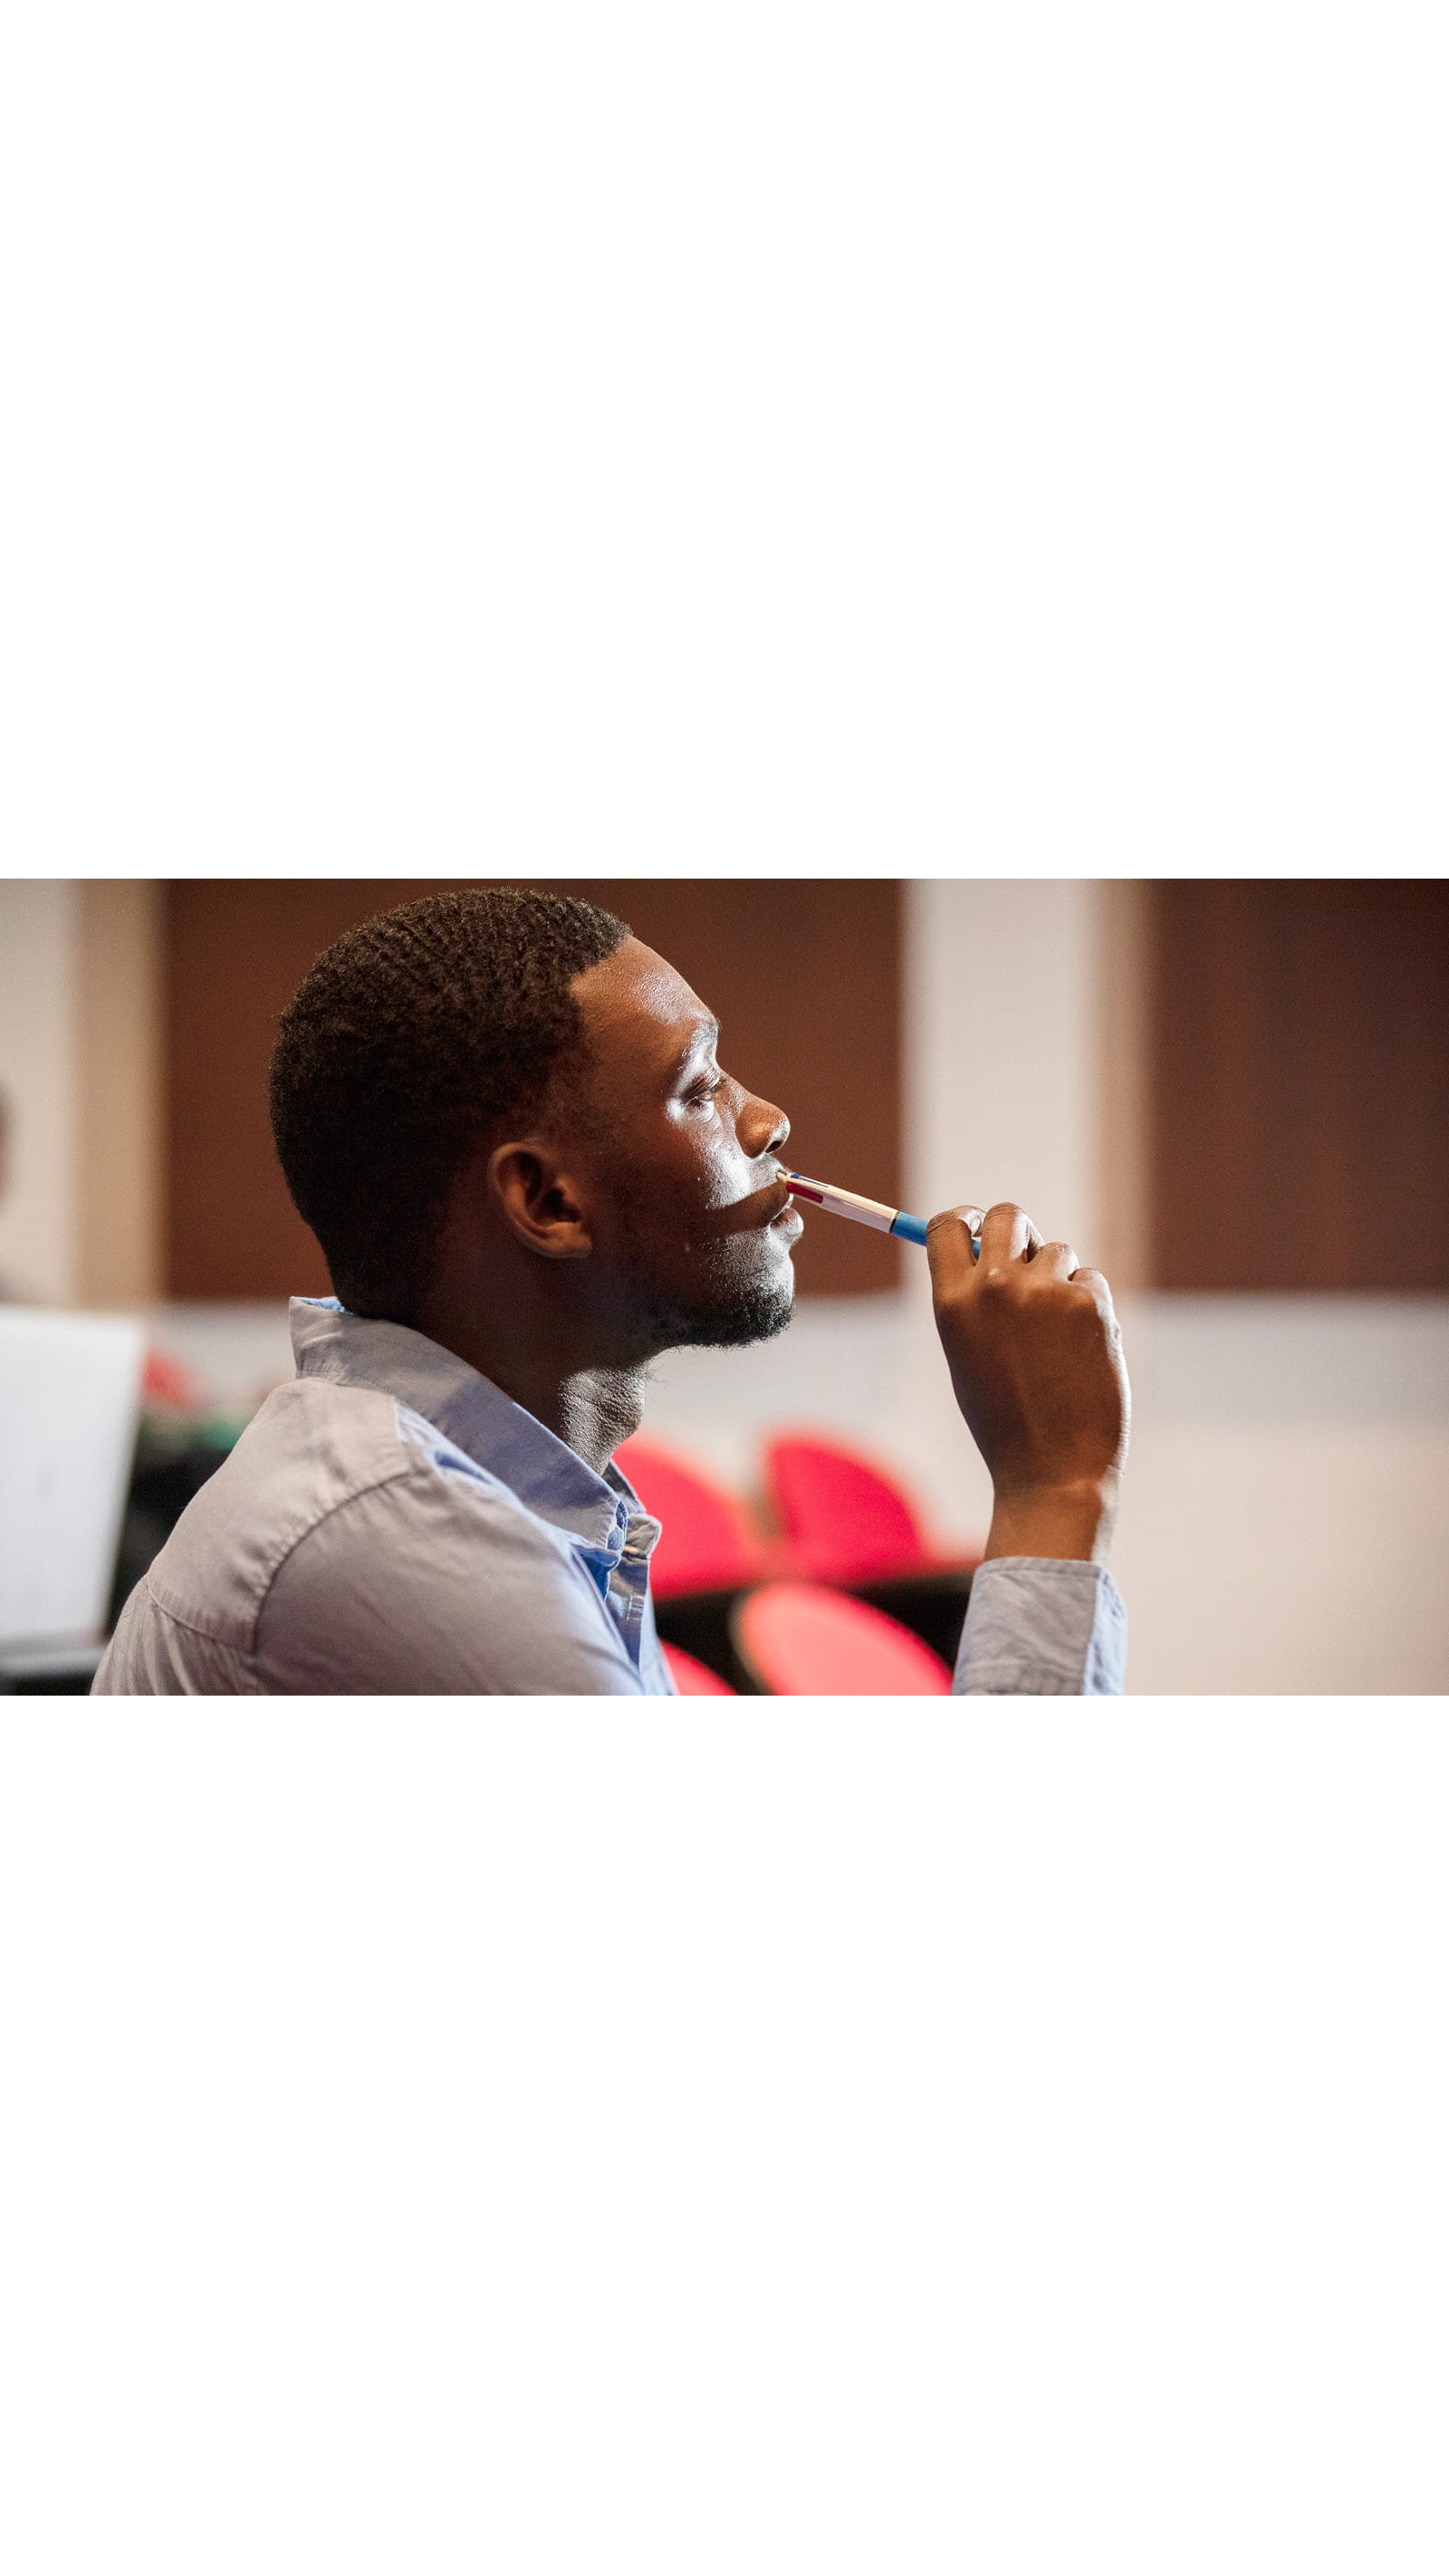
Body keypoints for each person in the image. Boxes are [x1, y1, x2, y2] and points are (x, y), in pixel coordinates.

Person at [94, 889, 1129, 1695]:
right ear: (547, 1199)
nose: (765, 1120)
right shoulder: (404, 1542)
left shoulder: (491, 1491)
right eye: (700, 1086)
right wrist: (1054, 1489)